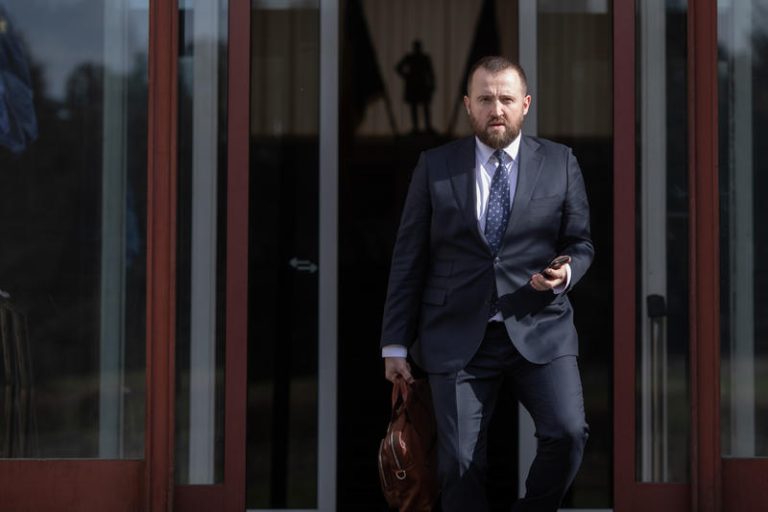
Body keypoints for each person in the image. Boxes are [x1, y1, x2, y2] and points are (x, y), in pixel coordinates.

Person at [380, 56, 593, 512]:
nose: (496, 109)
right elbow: (408, 258)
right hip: (456, 333)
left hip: (539, 325)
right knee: (459, 464)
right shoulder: (435, 166)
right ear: (467, 105)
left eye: (506, 99)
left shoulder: (560, 162)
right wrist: (394, 343)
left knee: (568, 433)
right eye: (485, 99)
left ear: (525, 104)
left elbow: (580, 242)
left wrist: (566, 273)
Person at [395, 40, 436, 133]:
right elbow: (398, 68)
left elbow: (430, 72)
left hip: (421, 85)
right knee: (415, 107)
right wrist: (406, 75)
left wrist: (432, 84)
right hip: (414, 85)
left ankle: (427, 127)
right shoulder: (411, 58)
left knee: (424, 106)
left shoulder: (423, 58)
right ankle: (416, 128)